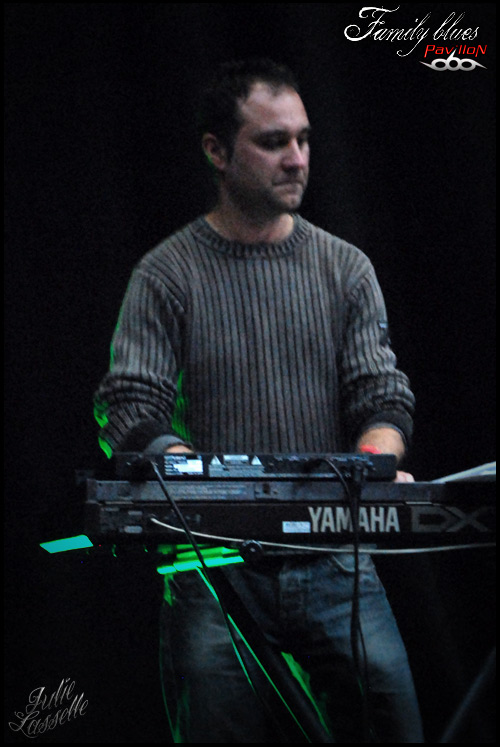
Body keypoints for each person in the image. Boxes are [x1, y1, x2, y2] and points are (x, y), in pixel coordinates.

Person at [94, 58, 424, 743]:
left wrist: (375, 465)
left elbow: (381, 394)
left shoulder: (344, 268)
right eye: (273, 142)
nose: (297, 158)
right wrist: (212, 487)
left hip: (333, 556)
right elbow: (128, 405)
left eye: (303, 139)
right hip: (212, 565)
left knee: (391, 719)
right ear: (216, 151)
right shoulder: (166, 275)